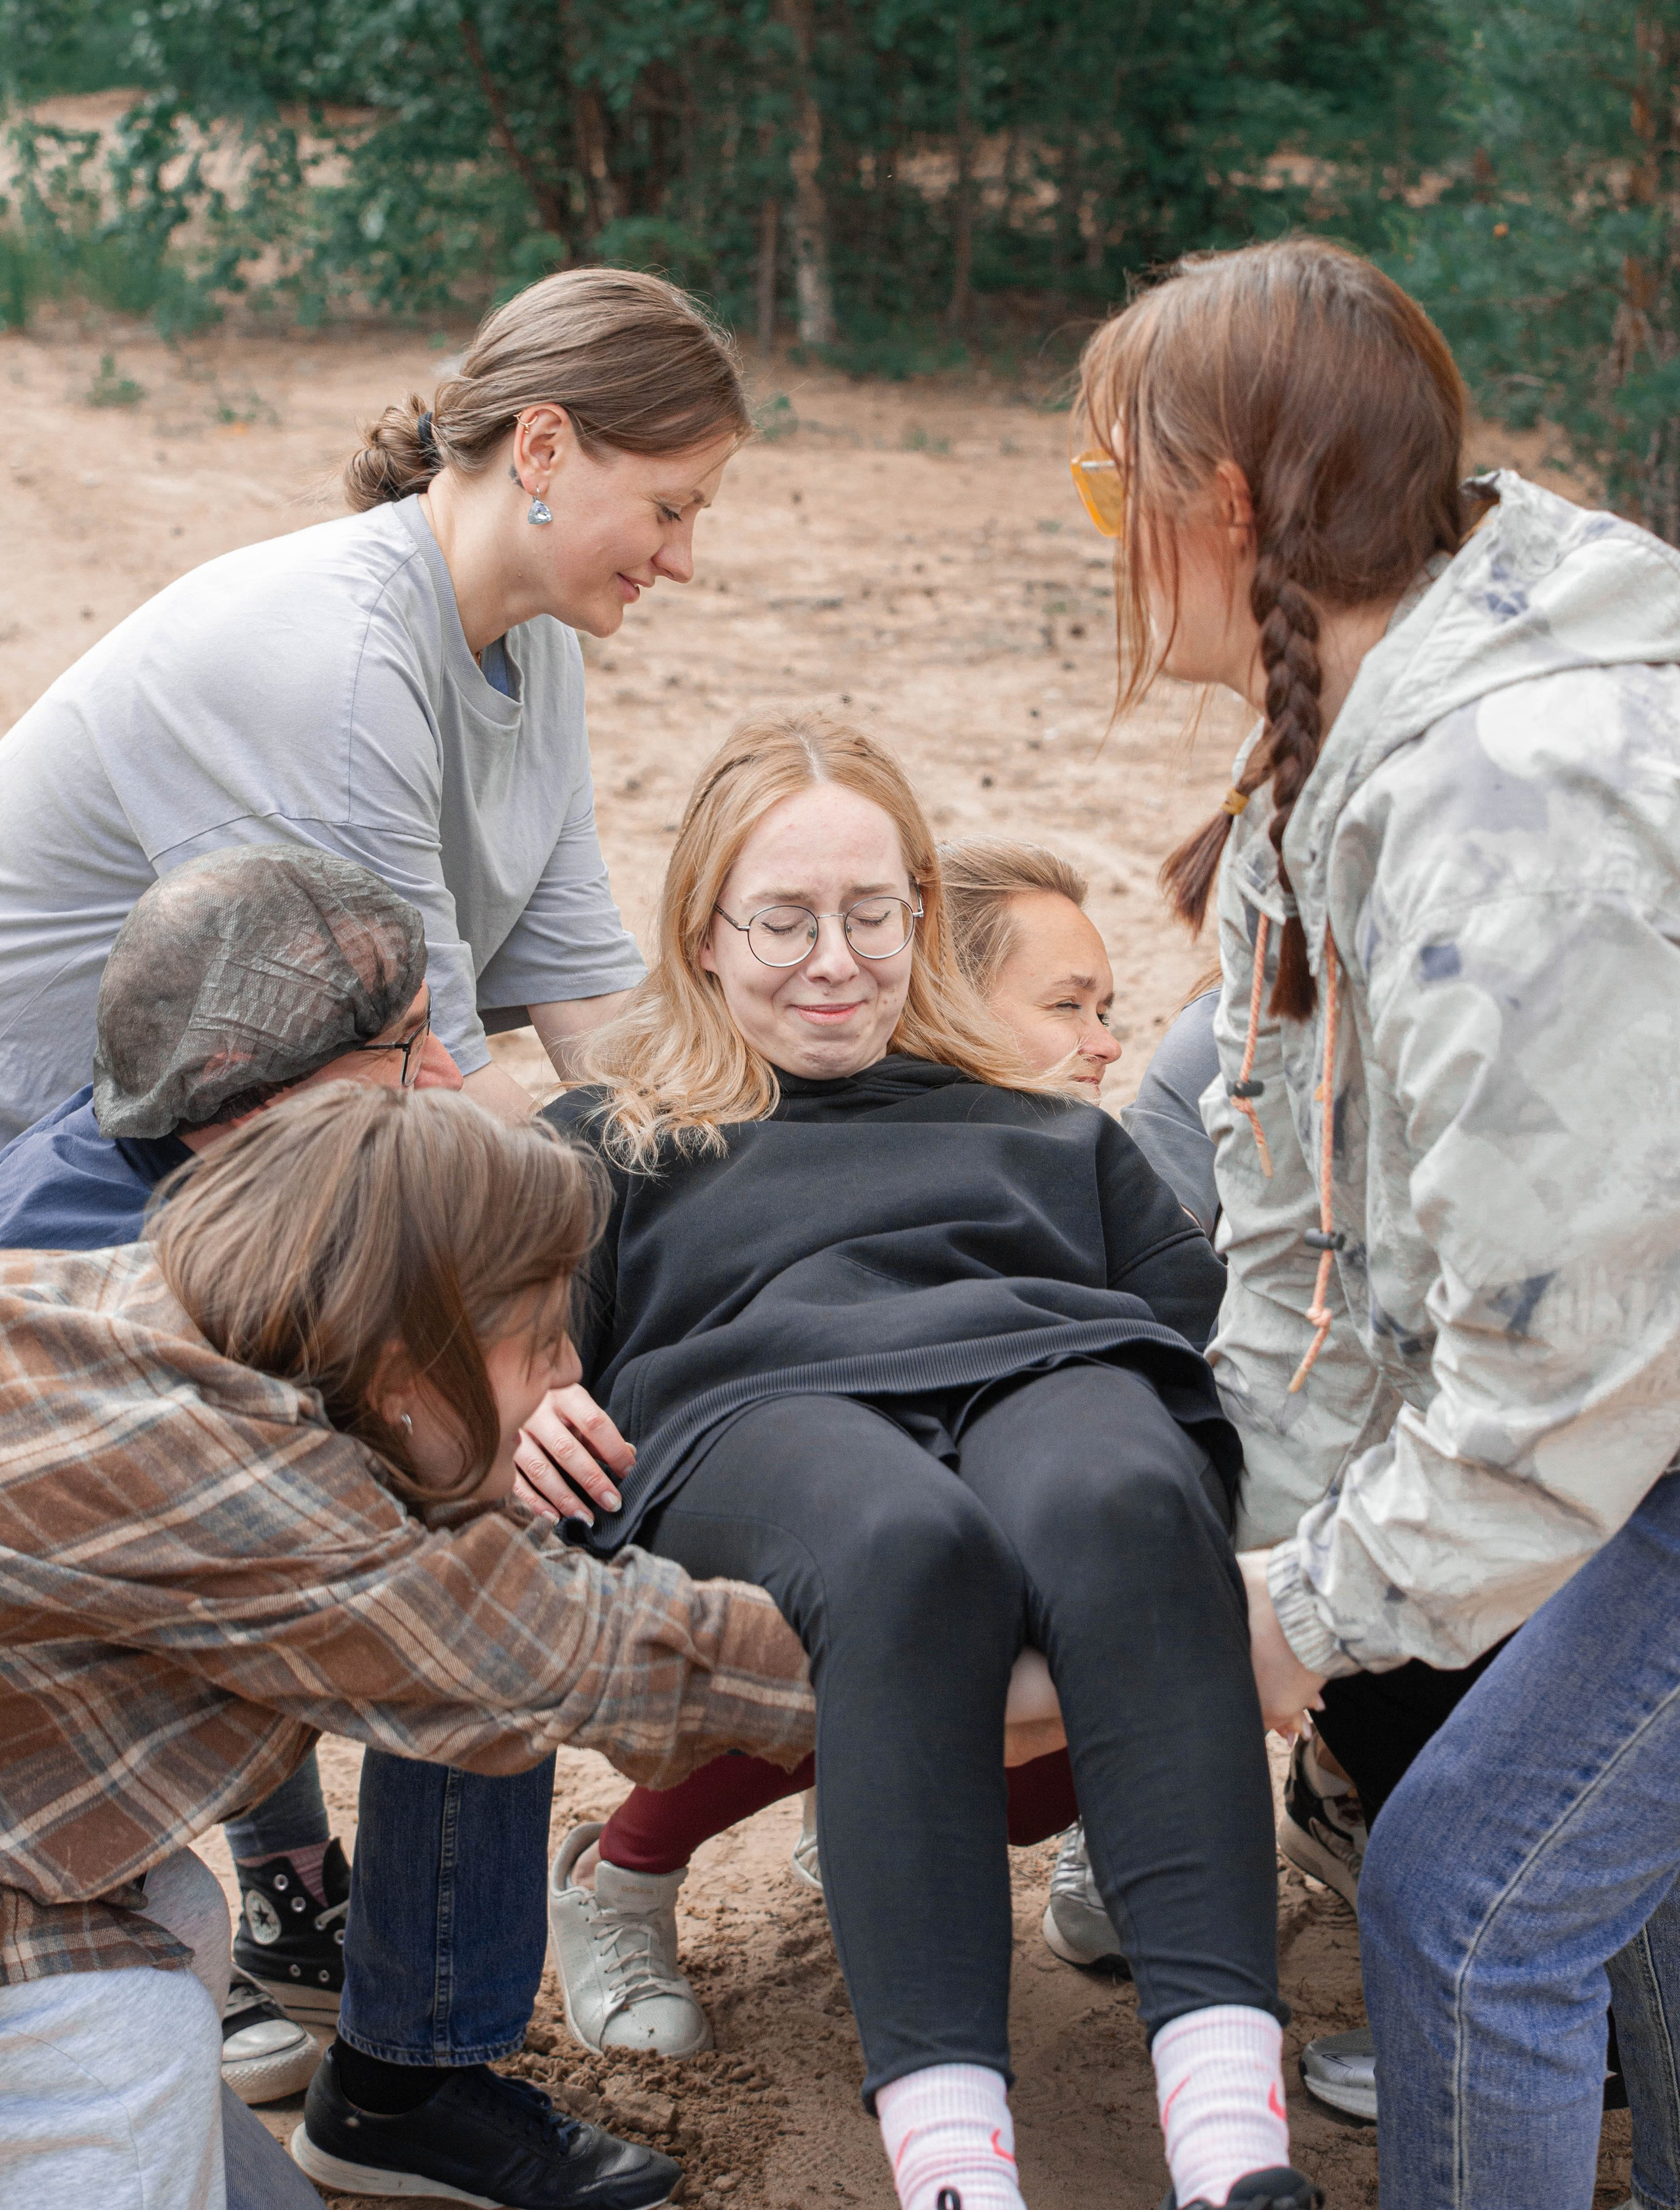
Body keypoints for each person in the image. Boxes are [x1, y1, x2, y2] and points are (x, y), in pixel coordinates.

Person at [516, 709, 1320, 2210]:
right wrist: (515, 1404)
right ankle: (956, 2170)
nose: (835, 960)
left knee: (1124, 1491)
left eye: (871, 914)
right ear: (700, 934)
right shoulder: (613, 1141)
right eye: (784, 920)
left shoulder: (1042, 1132)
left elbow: (1200, 1347)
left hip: (1046, 1367)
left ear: (918, 918)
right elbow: (490, 1350)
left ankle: (1231, 2151)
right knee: (904, 1544)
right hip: (760, 1410)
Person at [1072, 232, 1680, 2207]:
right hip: (1639, 1382)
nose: (1100, 536)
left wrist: (1314, 1618)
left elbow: (1570, 1365)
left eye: (1108, 490)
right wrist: (1232, 1565)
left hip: (1638, 1384)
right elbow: (1305, 1247)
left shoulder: (1516, 815)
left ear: (1225, 505)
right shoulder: (1334, 758)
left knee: (1477, 1901)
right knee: (1604, 1860)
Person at [0, 1083, 812, 2210]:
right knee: (115, 2040)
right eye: (538, 1342)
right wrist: (920, 1660)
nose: (569, 1375)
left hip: (60, 1846)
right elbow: (581, 1651)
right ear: (401, 1370)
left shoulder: (166, 1313)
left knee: (177, 1922)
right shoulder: (255, 1495)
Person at [543, 834, 1127, 2059]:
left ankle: (1111, 1830)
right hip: (802, 1518)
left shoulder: (1084, 1161)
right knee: (896, 1600)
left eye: (1107, 1006)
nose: (1105, 1042)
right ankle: (626, 1870)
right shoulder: (725, 1154)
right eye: (1066, 1007)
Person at [0, 264, 746, 1142]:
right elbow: (436, 1085)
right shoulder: (337, 663)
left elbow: (584, 989)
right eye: (667, 510)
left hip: (206, 1129)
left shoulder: (538, 646)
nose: (682, 560)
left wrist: (720, 1152)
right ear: (540, 448)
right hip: (52, 1163)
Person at [0, 841, 461, 2099]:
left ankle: (289, 1884)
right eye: (406, 1049)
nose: (449, 1076)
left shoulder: (238, 1163)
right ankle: (110, 1922)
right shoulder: (83, 1260)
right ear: (254, 1099)